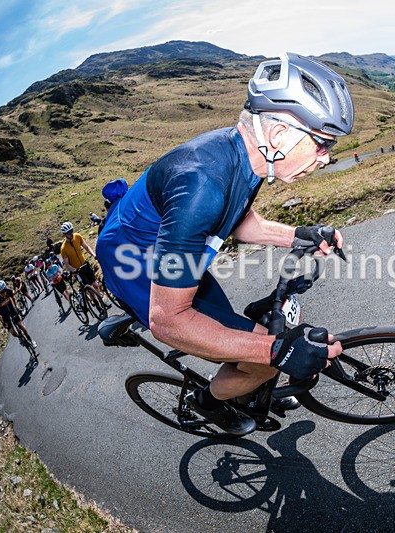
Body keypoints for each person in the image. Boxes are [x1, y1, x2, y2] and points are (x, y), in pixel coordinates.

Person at [97, 53, 350, 436]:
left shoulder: (247, 155)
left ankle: (246, 386)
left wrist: (299, 235)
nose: (325, 157)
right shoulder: (202, 187)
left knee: (248, 338)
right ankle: (210, 403)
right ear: (280, 135)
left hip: (170, 248)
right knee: (263, 353)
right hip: (134, 264)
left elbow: (240, 223)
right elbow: (168, 321)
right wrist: (276, 354)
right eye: (321, 144)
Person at [59, 221, 102, 295]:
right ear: (64, 235)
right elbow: (67, 264)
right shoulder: (63, 248)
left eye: (71, 231)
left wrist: (94, 255)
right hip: (78, 270)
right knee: (90, 289)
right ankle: (95, 302)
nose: (71, 233)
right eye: (69, 233)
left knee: (95, 285)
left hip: (85, 264)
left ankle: (101, 298)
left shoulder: (77, 236)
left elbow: (87, 247)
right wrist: (74, 271)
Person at [0, 281, 36, 347]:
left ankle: (31, 340)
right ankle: (20, 338)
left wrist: (16, 307)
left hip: (12, 311)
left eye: (4, 290)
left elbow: (13, 297)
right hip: (5, 316)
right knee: (13, 333)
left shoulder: (8, 291)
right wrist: (3, 323)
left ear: (5, 288)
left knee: (22, 327)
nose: (4, 292)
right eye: (2, 292)